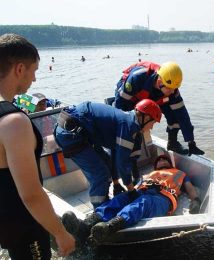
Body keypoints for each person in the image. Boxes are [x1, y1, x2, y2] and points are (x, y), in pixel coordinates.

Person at [0, 33, 75, 259]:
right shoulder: (13, 122)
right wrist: (60, 233)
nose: (34, 80)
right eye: (34, 71)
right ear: (20, 69)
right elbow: (31, 194)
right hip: (24, 225)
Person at [61, 154, 201, 244]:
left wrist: (195, 200)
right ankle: (84, 227)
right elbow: (134, 185)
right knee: (120, 199)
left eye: (165, 159)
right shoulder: (149, 174)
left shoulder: (180, 173)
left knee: (143, 203)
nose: (162, 161)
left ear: (170, 163)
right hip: (141, 192)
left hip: (162, 198)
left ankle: (110, 227)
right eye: (159, 160)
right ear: (155, 165)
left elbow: (189, 187)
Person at [54, 99, 162, 208]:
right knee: (101, 174)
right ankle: (100, 210)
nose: (152, 127)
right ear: (146, 118)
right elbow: (122, 162)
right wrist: (131, 190)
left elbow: (115, 154)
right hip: (70, 135)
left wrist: (116, 183)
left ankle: (104, 202)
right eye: (152, 123)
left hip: (79, 130)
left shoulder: (127, 120)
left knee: (106, 161)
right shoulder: (128, 126)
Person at [114, 61, 204, 156]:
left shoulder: (171, 88)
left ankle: (172, 143)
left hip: (154, 95)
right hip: (131, 97)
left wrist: (191, 141)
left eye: (174, 88)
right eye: (170, 88)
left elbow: (182, 115)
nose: (173, 91)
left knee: (174, 114)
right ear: (159, 82)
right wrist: (119, 130)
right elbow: (120, 104)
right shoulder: (137, 78)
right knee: (131, 119)